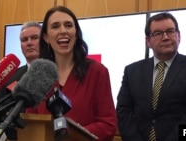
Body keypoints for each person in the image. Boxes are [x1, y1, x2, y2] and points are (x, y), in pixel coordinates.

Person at [116, 12, 186, 141]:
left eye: (170, 31)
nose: (166, 37)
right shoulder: (132, 71)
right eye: (158, 33)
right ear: (148, 41)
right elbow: (123, 112)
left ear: (179, 36)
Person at [25, 6, 117, 141]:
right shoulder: (38, 76)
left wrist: (71, 134)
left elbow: (108, 125)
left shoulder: (97, 71)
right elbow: (31, 123)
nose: (63, 31)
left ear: (76, 33)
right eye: (55, 26)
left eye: (68, 25)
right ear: (46, 37)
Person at [0, 21, 41, 140]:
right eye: (24, 40)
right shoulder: (9, 77)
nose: (29, 43)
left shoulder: (59, 73)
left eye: (34, 38)